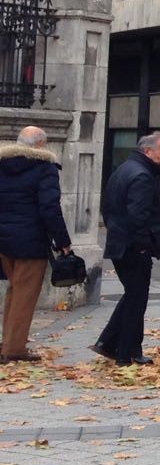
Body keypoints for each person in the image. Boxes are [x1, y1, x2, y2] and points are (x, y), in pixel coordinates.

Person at [94, 131, 160, 367]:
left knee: (133, 297)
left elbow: (108, 208)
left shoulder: (124, 169)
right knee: (136, 300)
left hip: (120, 243)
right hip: (134, 247)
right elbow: (138, 217)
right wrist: (142, 245)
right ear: (148, 151)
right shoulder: (142, 176)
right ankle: (123, 352)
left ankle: (120, 346)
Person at [0, 127, 74, 363]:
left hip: (3, 239)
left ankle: (8, 342)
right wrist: (63, 242)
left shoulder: (2, 165)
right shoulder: (45, 169)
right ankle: (14, 350)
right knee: (25, 295)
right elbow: (50, 208)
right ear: (40, 145)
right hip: (30, 242)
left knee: (14, 290)